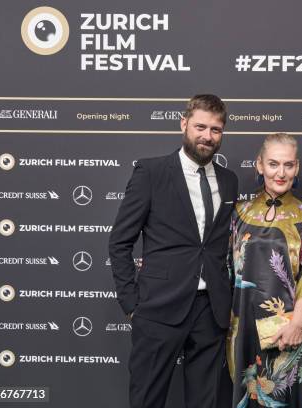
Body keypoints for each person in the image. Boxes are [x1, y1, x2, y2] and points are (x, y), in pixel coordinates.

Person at [108, 94, 238, 408]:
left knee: (205, 402)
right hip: (158, 308)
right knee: (147, 400)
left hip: (212, 310)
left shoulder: (229, 180)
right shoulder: (150, 173)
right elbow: (120, 242)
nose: (207, 136)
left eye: (216, 130)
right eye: (201, 127)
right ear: (184, 124)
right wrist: (131, 303)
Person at [226, 133, 302, 408]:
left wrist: (296, 325)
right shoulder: (240, 213)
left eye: (288, 165)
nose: (281, 173)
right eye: (273, 164)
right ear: (259, 165)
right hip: (246, 328)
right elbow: (227, 268)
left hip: (291, 331)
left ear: (297, 168)